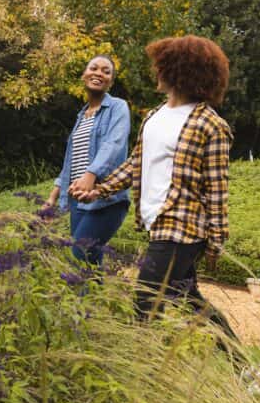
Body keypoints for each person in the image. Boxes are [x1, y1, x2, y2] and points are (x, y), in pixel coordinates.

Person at [74, 36, 237, 340]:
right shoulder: (154, 116)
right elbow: (136, 164)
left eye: (161, 66)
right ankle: (245, 370)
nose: (156, 72)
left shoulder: (210, 125)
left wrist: (216, 242)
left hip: (183, 228)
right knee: (189, 300)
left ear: (177, 71)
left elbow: (217, 189)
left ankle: (140, 370)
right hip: (156, 222)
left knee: (145, 301)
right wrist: (101, 189)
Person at [42, 55, 130, 267]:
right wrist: (51, 199)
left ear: (110, 81)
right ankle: (98, 301)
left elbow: (114, 144)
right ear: (84, 75)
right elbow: (70, 164)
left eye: (106, 71)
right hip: (79, 202)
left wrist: (91, 175)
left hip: (106, 200)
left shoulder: (118, 107)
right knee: (89, 267)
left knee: (78, 255)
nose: (99, 73)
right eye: (94, 68)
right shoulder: (82, 116)